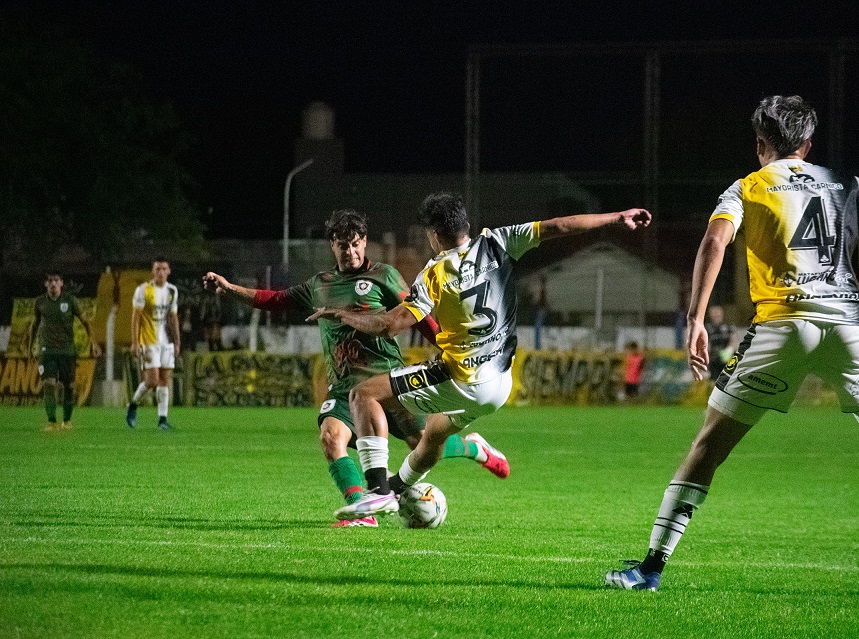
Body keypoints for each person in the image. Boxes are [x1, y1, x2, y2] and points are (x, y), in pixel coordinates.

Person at [603, 95, 859, 598]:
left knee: (708, 448)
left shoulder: (748, 185)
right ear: (808, 144)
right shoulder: (846, 183)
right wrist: (856, 280)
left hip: (784, 323)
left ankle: (651, 568)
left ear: (760, 145)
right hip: (850, 326)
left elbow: (715, 242)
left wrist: (696, 318)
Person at [312, 192, 651, 521]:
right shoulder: (498, 241)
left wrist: (344, 315)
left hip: (461, 380)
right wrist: (616, 218)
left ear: (434, 234)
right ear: (466, 224)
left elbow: (390, 326)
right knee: (432, 436)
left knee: (364, 394)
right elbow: (560, 225)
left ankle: (378, 491)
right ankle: (400, 486)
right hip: (500, 385)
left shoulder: (434, 273)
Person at [203, 209, 510, 528]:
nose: (350, 251)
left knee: (423, 443)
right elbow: (274, 299)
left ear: (364, 242)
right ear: (332, 246)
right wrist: (229, 288)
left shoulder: (384, 275)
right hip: (344, 386)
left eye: (355, 244)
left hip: (388, 382)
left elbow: (417, 315)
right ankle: (362, 512)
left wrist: (449, 348)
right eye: (342, 245)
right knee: (331, 437)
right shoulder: (319, 284)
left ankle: (474, 447)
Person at [28, 270, 101, 431]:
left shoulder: (71, 301)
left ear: (61, 283)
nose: (53, 283)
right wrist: (30, 347)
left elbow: (86, 322)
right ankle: (51, 421)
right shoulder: (40, 302)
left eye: (56, 280)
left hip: (67, 351)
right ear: (46, 284)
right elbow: (34, 325)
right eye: (50, 280)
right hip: (47, 350)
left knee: (69, 386)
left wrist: (94, 344)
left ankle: (67, 421)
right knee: (49, 384)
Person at [126, 257, 180, 430]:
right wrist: (135, 342)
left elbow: (173, 317)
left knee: (164, 380)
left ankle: (162, 420)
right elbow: (136, 318)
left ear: (169, 271)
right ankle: (133, 404)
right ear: (152, 271)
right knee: (152, 381)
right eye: (157, 269)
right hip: (149, 341)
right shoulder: (143, 290)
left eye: (164, 269)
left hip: (167, 342)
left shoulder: (172, 290)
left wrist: (177, 342)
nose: (161, 272)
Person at [704, 304, 736, 381]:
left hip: (727, 359)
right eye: (714, 314)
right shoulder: (707, 328)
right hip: (713, 360)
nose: (716, 316)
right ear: (710, 315)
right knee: (713, 381)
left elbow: (733, 340)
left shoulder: (729, 326)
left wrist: (728, 351)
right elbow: (706, 345)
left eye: (718, 314)